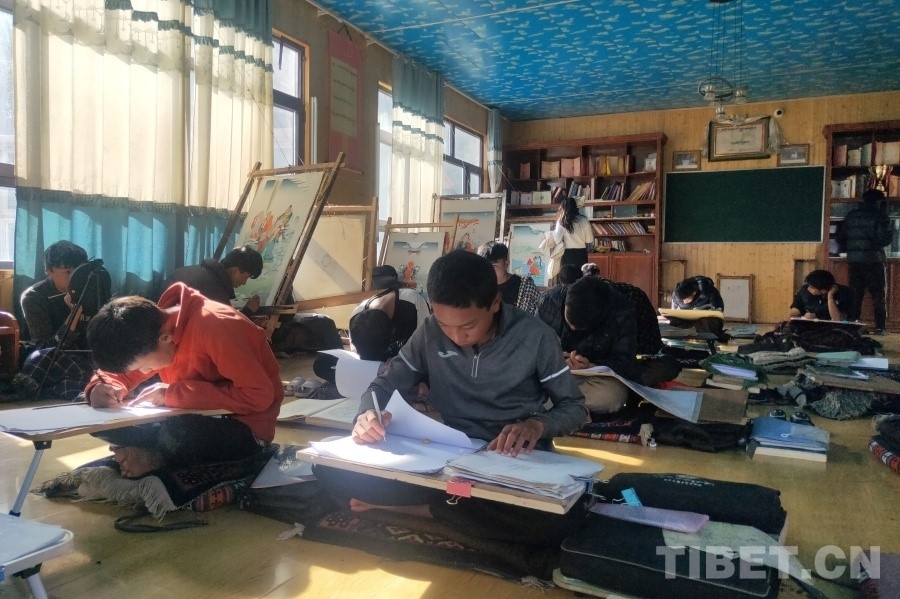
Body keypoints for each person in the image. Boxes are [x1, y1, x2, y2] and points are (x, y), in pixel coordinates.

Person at [315, 250, 588, 556]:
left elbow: (575, 408)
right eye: (445, 325)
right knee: (326, 469)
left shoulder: (535, 337)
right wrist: (367, 414)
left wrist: (536, 425)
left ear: (495, 303)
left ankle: (412, 509)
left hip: (512, 467)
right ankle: (448, 510)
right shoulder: (430, 331)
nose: (456, 337)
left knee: (555, 518)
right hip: (447, 460)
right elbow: (384, 383)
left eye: (468, 326)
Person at [82, 283, 283, 478]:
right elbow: (123, 373)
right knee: (98, 419)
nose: (143, 372)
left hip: (243, 426)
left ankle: (155, 456)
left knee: (179, 434)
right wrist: (102, 387)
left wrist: (174, 394)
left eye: (144, 366)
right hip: (186, 415)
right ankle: (152, 450)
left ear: (165, 339)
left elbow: (259, 397)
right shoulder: (151, 331)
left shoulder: (215, 325)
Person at [14, 242, 105, 401]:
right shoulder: (33, 297)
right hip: (53, 355)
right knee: (48, 360)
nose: (74, 277)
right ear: (49, 271)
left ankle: (89, 387)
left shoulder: (92, 289)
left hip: (87, 352)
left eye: (78, 271)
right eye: (67, 272)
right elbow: (47, 346)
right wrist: (75, 312)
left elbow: (100, 335)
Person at [312, 265, 431, 382]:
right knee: (321, 364)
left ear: (392, 332)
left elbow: (426, 348)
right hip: (376, 367)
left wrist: (399, 362)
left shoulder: (413, 302)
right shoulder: (356, 317)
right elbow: (359, 356)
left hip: (406, 365)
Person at [839, 188, 892, 334]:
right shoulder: (880, 215)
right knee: (878, 294)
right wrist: (890, 234)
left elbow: (842, 236)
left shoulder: (851, 215)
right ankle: (880, 327)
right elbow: (883, 239)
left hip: (853, 260)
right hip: (873, 260)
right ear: (879, 201)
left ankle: (854, 324)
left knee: (855, 293)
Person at [164, 245, 263, 316]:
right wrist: (247, 311)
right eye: (245, 277)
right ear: (234, 271)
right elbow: (227, 328)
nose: (244, 283)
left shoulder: (193, 272)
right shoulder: (216, 291)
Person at [476, 241, 540, 314]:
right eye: (485, 267)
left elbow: (539, 313)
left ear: (506, 264)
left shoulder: (525, 286)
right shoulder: (479, 288)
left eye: (494, 266)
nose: (489, 271)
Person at [669, 275, 727, 340]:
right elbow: (673, 311)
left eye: (686, 299)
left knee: (705, 322)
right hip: (688, 318)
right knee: (674, 321)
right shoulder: (676, 295)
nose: (684, 302)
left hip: (705, 318)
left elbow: (718, 311)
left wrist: (703, 311)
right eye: (682, 300)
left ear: (694, 293)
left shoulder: (707, 291)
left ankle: (706, 339)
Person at [536, 263, 583, 334]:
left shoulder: (546, 295)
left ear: (560, 279)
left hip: (549, 337)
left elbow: (538, 321)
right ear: (580, 279)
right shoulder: (584, 296)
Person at [553, 197, 594, 270]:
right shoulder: (584, 220)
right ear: (575, 206)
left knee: (568, 275)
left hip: (567, 254)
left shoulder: (561, 221)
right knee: (581, 275)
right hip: (581, 254)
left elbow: (556, 239)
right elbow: (589, 240)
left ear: (563, 208)